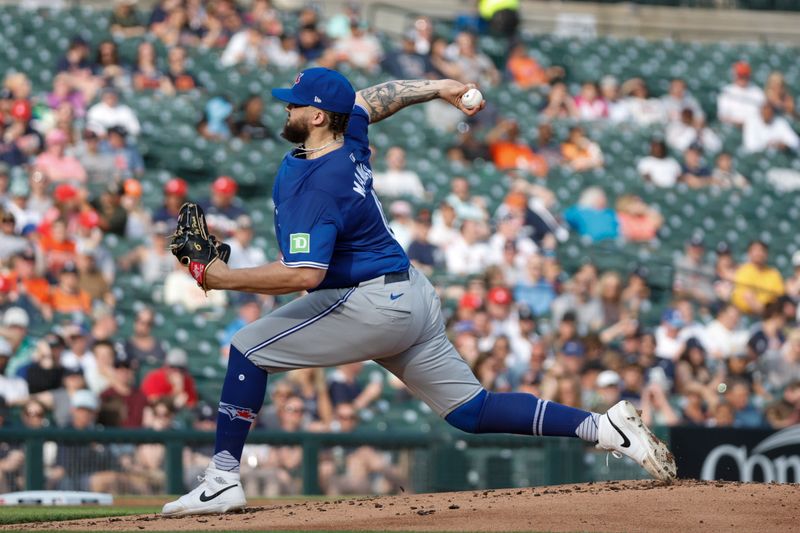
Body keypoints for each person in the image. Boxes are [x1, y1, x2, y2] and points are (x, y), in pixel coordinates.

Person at [162, 68, 675, 516]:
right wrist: (437, 88)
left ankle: (222, 480)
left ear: (318, 116)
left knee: (248, 348)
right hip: (409, 294)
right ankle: (606, 428)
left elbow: (306, 275)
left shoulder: (316, 181)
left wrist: (219, 277)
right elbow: (372, 98)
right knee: (471, 411)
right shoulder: (348, 139)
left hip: (370, 301)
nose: (287, 107)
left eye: (295, 103)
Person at [731, 240, 785, 315]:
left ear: (766, 253)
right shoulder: (743, 271)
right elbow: (746, 296)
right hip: (745, 314)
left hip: (771, 314)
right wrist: (763, 305)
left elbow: (779, 296)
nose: (758, 253)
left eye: (761, 250)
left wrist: (764, 304)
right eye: (755, 250)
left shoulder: (773, 273)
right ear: (749, 253)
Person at [716, 61, 765, 127]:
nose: (743, 78)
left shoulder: (757, 92)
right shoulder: (726, 91)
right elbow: (722, 116)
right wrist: (739, 123)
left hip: (754, 128)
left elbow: (764, 114)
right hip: (732, 128)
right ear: (735, 75)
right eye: (740, 75)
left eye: (745, 75)